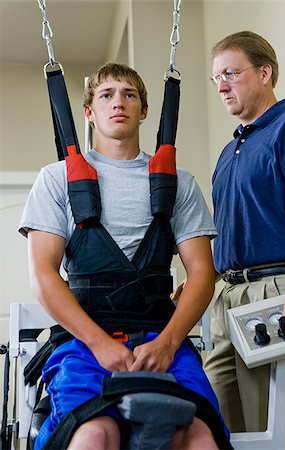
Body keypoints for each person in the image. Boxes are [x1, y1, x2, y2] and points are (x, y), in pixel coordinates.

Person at [19, 63, 230, 449]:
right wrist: (100, 343)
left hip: (162, 339)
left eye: (129, 94)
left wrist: (168, 343)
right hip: (84, 345)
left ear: (144, 110)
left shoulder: (178, 183)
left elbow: (201, 271)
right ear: (89, 111)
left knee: (197, 435)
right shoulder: (56, 179)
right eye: (107, 95)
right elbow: (44, 275)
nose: (119, 102)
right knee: (96, 433)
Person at [201, 31, 285, 450]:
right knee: (219, 425)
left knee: (284, 434)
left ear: (264, 72)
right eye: (216, 77)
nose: (222, 84)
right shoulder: (230, 152)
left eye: (230, 73)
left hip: (282, 291)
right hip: (227, 298)